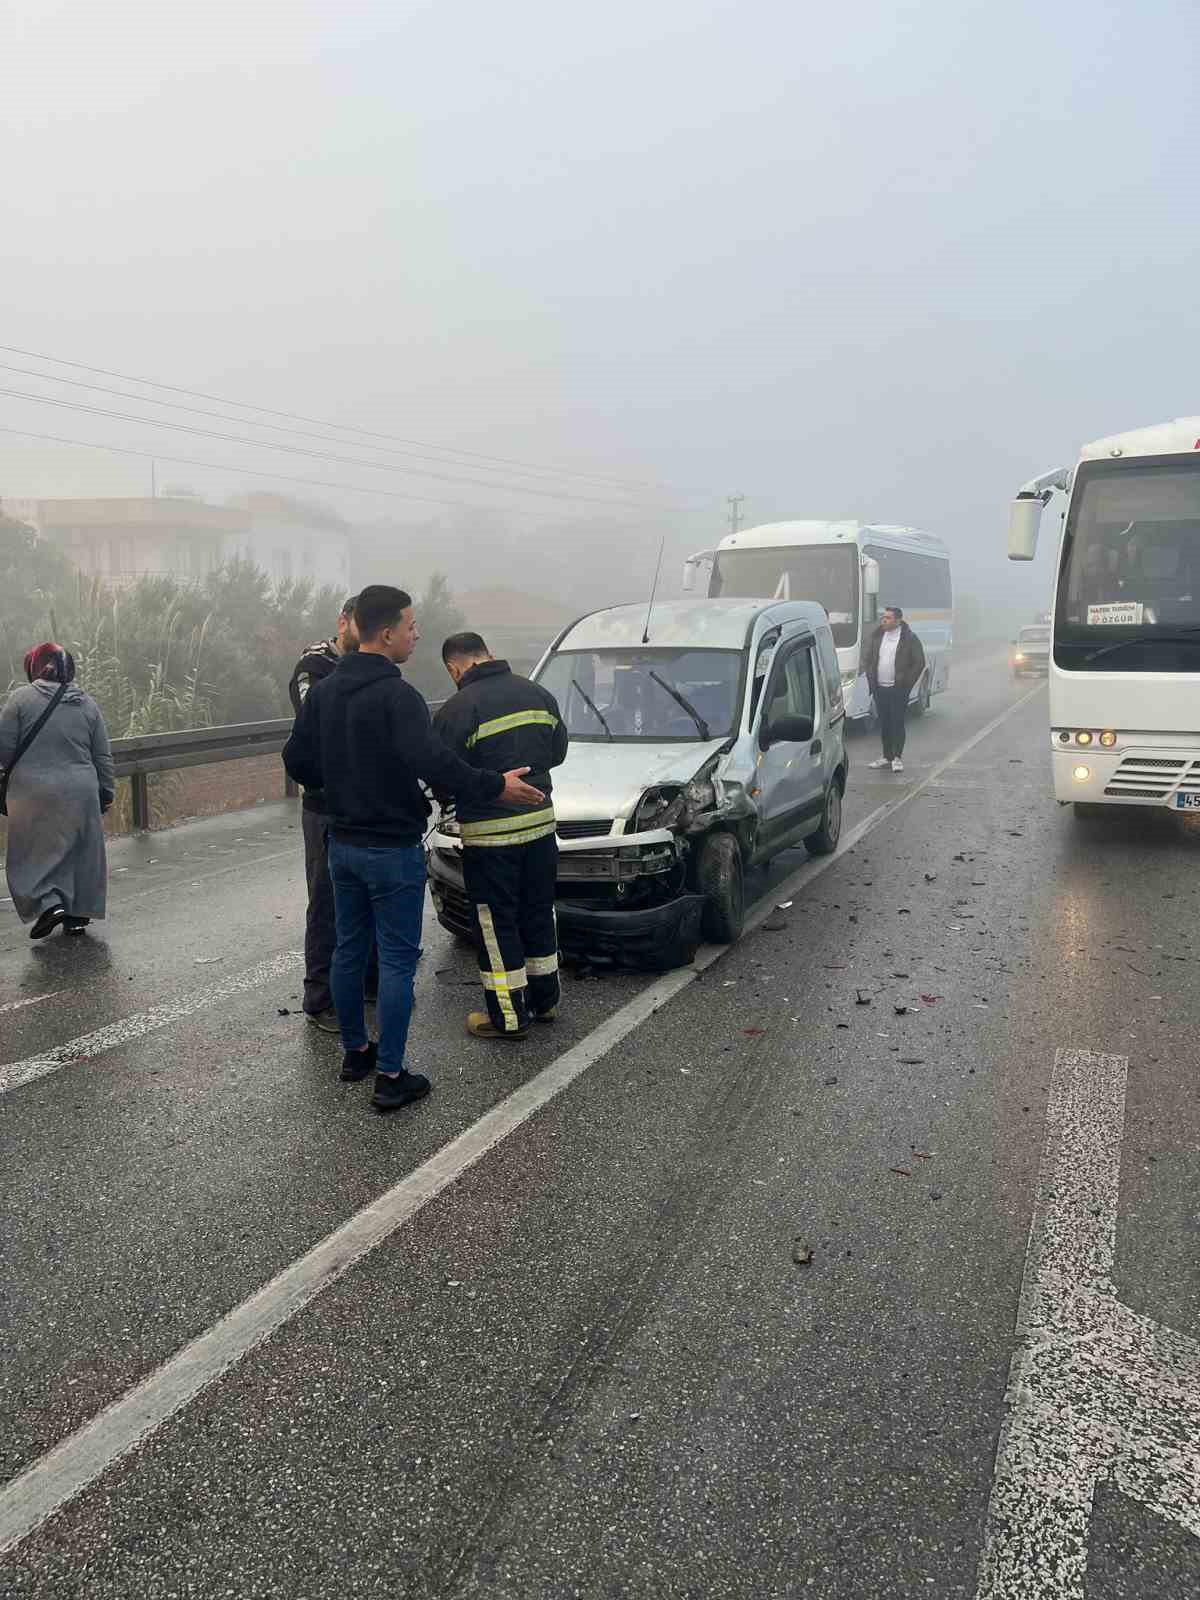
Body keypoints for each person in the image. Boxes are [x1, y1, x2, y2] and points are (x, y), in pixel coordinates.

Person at [282, 585, 546, 1113]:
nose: (416, 634)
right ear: (385, 633)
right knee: (399, 960)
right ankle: (391, 1074)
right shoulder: (398, 697)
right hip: (391, 848)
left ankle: (356, 1052)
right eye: (410, 625)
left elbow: (297, 761)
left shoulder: (328, 691)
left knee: (349, 947)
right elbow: (437, 764)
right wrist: (497, 786)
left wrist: (341, 786)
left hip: (343, 843)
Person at [433, 632, 568, 1039]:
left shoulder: (458, 708)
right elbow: (558, 753)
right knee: (538, 911)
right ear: (488, 654)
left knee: (495, 923)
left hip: (492, 840)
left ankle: (508, 1018)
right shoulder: (539, 694)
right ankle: (545, 1002)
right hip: (541, 829)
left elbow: (444, 774)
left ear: (455, 668)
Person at [288, 595, 378, 1031]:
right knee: (326, 901)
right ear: (343, 623)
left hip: (365, 799)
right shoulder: (315, 667)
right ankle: (320, 998)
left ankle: (369, 981)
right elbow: (319, 724)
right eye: (360, 629)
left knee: (370, 893)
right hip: (325, 803)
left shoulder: (369, 663)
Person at [0, 643, 114, 939]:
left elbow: (4, 750)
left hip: (32, 792)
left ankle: (48, 905)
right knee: (80, 852)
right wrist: (106, 790)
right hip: (81, 789)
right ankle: (76, 915)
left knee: (32, 852)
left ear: (35, 667)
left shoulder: (20, 700)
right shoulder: (87, 704)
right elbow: (102, 754)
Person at [863, 605, 925, 774]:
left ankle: (897, 758)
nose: (884, 620)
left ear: (898, 621)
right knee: (884, 723)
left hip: (898, 689)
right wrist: (871, 676)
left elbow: (919, 662)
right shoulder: (877, 637)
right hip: (879, 688)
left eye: (888, 618)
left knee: (897, 722)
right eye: (884, 617)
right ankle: (886, 756)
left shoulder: (909, 638)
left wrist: (906, 683)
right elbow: (868, 658)